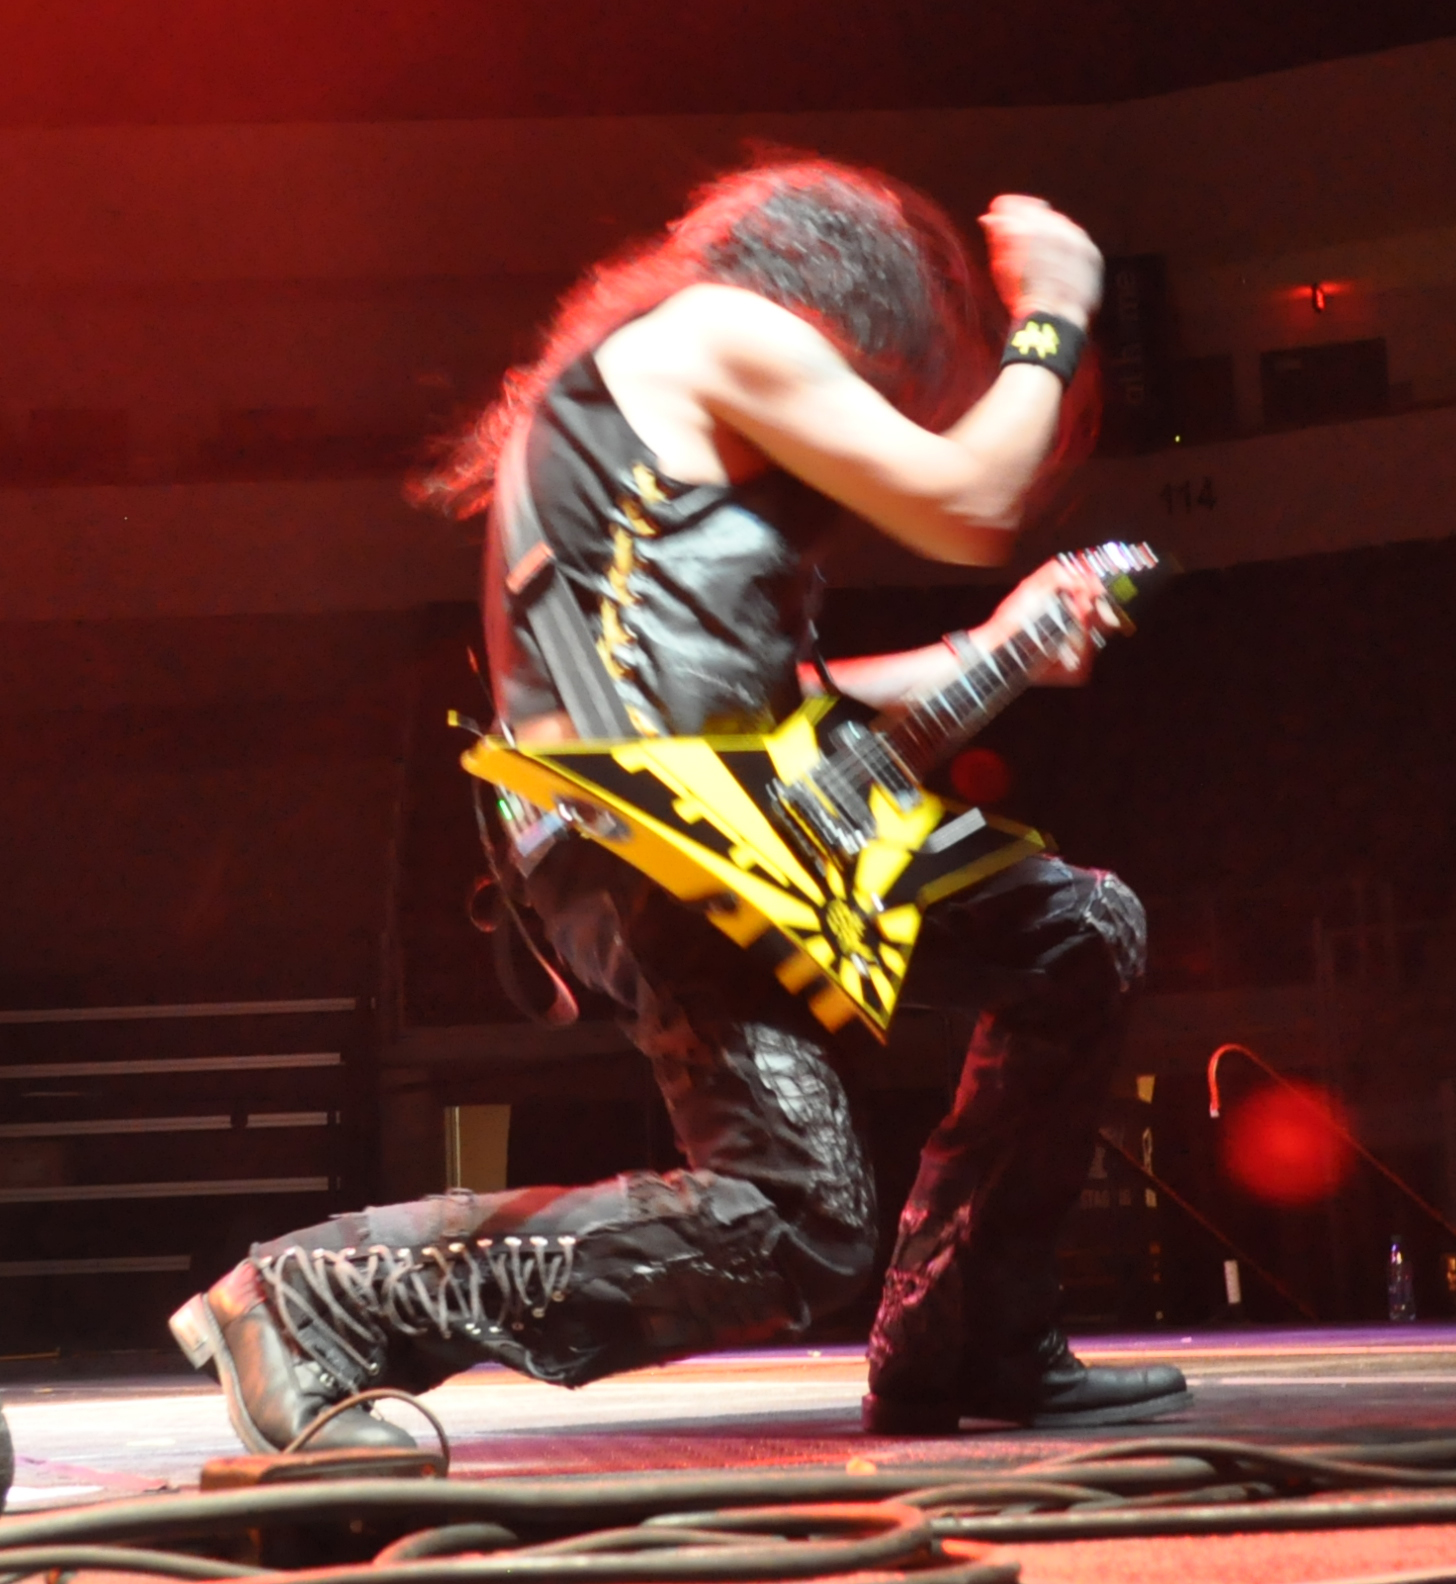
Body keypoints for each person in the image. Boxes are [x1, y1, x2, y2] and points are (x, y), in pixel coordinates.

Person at [169, 158, 1188, 1452]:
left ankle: (967, 1329)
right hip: (656, 840)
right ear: (851, 300)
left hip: (708, 817)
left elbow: (757, 700)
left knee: (1076, 932)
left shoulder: (649, 409)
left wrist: (991, 649)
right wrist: (1054, 310)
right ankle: (319, 1297)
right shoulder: (719, 329)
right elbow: (972, 499)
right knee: (796, 1222)